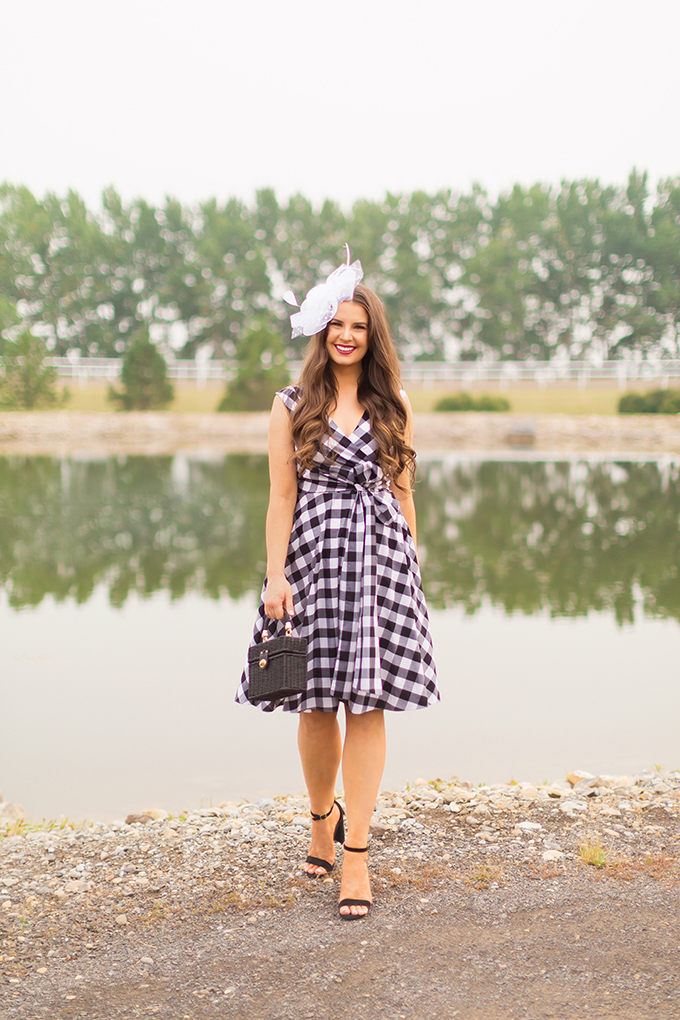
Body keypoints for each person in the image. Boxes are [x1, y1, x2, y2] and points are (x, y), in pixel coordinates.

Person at [236, 249, 439, 919]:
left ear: (371, 337)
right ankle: (321, 818)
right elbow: (278, 499)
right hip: (313, 562)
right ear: (323, 334)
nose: (347, 335)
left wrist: (414, 565)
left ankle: (356, 856)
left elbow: (405, 494)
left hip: (381, 564)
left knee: (369, 704)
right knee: (316, 705)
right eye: (337, 325)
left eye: (359, 326)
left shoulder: (394, 403)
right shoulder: (291, 404)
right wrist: (275, 576)